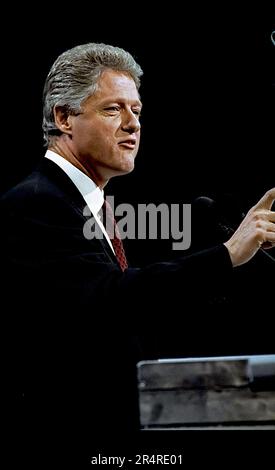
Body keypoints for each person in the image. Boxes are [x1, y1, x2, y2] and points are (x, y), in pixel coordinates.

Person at [1, 43, 275, 461]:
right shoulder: (36, 202)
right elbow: (110, 300)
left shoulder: (88, 203)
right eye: (114, 110)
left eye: (138, 111)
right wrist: (225, 256)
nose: (133, 125)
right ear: (63, 118)